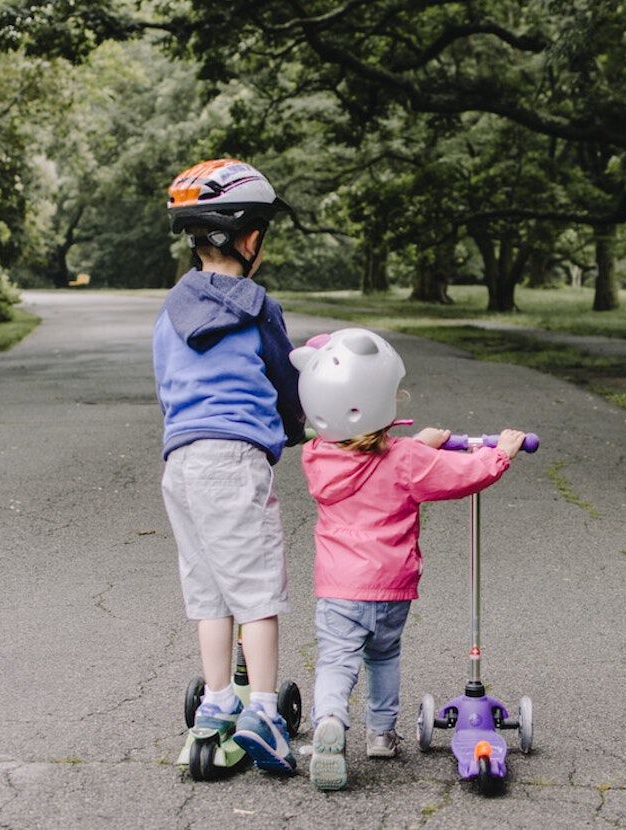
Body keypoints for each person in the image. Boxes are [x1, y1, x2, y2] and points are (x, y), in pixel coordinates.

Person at [287, 327, 526, 791]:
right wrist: (500, 454)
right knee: (384, 656)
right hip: (391, 587)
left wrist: (419, 443)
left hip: (339, 588)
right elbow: (460, 474)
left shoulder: (318, 457)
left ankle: (330, 720)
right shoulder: (406, 460)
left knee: (336, 660)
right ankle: (381, 734)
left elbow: (370, 456)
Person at [153, 158, 305, 775]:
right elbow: (287, 379)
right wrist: (297, 428)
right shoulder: (258, 307)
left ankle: (217, 700)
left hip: (181, 462)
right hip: (235, 460)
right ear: (251, 239)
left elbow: (166, 385)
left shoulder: (170, 310)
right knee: (256, 590)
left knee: (209, 590)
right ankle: (264, 711)